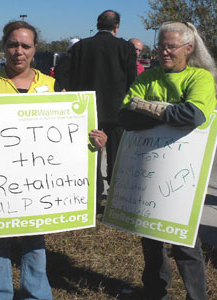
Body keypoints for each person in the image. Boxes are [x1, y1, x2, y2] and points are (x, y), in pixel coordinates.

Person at [0, 21, 107, 300]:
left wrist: (93, 139)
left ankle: (37, 294)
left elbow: (70, 129)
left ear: (35, 49)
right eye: (13, 45)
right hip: (0, 183)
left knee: (36, 244)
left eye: (25, 46)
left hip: (39, 186)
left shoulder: (52, 85)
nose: (19, 51)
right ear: (4, 47)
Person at [118, 21, 217, 300]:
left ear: (188, 48)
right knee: (150, 239)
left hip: (182, 176)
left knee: (185, 244)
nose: (164, 52)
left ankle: (196, 296)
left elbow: (194, 116)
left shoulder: (199, 78)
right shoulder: (148, 77)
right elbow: (125, 117)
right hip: (148, 172)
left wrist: (147, 107)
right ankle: (155, 292)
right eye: (161, 45)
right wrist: (167, 113)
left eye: (171, 47)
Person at [68, 10, 136, 210]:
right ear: (117, 27)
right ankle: (116, 200)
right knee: (116, 159)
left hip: (87, 112)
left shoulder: (81, 47)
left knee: (91, 157)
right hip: (117, 113)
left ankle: (92, 197)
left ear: (98, 25)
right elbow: (132, 83)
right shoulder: (126, 48)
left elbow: (72, 81)